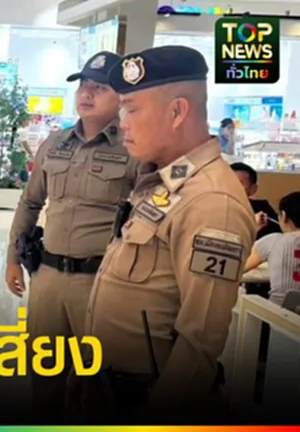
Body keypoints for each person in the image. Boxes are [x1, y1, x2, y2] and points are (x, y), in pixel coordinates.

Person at [78, 46, 257, 423]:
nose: (123, 123)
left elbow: (198, 346)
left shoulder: (212, 203)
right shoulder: (168, 183)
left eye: (132, 109)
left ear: (177, 112)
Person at [4, 51, 139, 422]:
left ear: (121, 96)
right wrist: (12, 258)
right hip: (47, 278)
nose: (87, 94)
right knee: (44, 377)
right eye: (83, 86)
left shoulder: (133, 149)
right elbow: (30, 203)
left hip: (99, 283)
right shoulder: (55, 143)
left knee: (96, 383)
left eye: (100, 88)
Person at [244, 191, 300, 306]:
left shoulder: (273, 241)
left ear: (283, 215)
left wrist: (253, 228)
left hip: (278, 312)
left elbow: (240, 266)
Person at [230, 162, 282, 239]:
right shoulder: (213, 206)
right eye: (228, 182)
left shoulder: (262, 210)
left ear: (253, 189)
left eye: (239, 183)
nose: (231, 187)